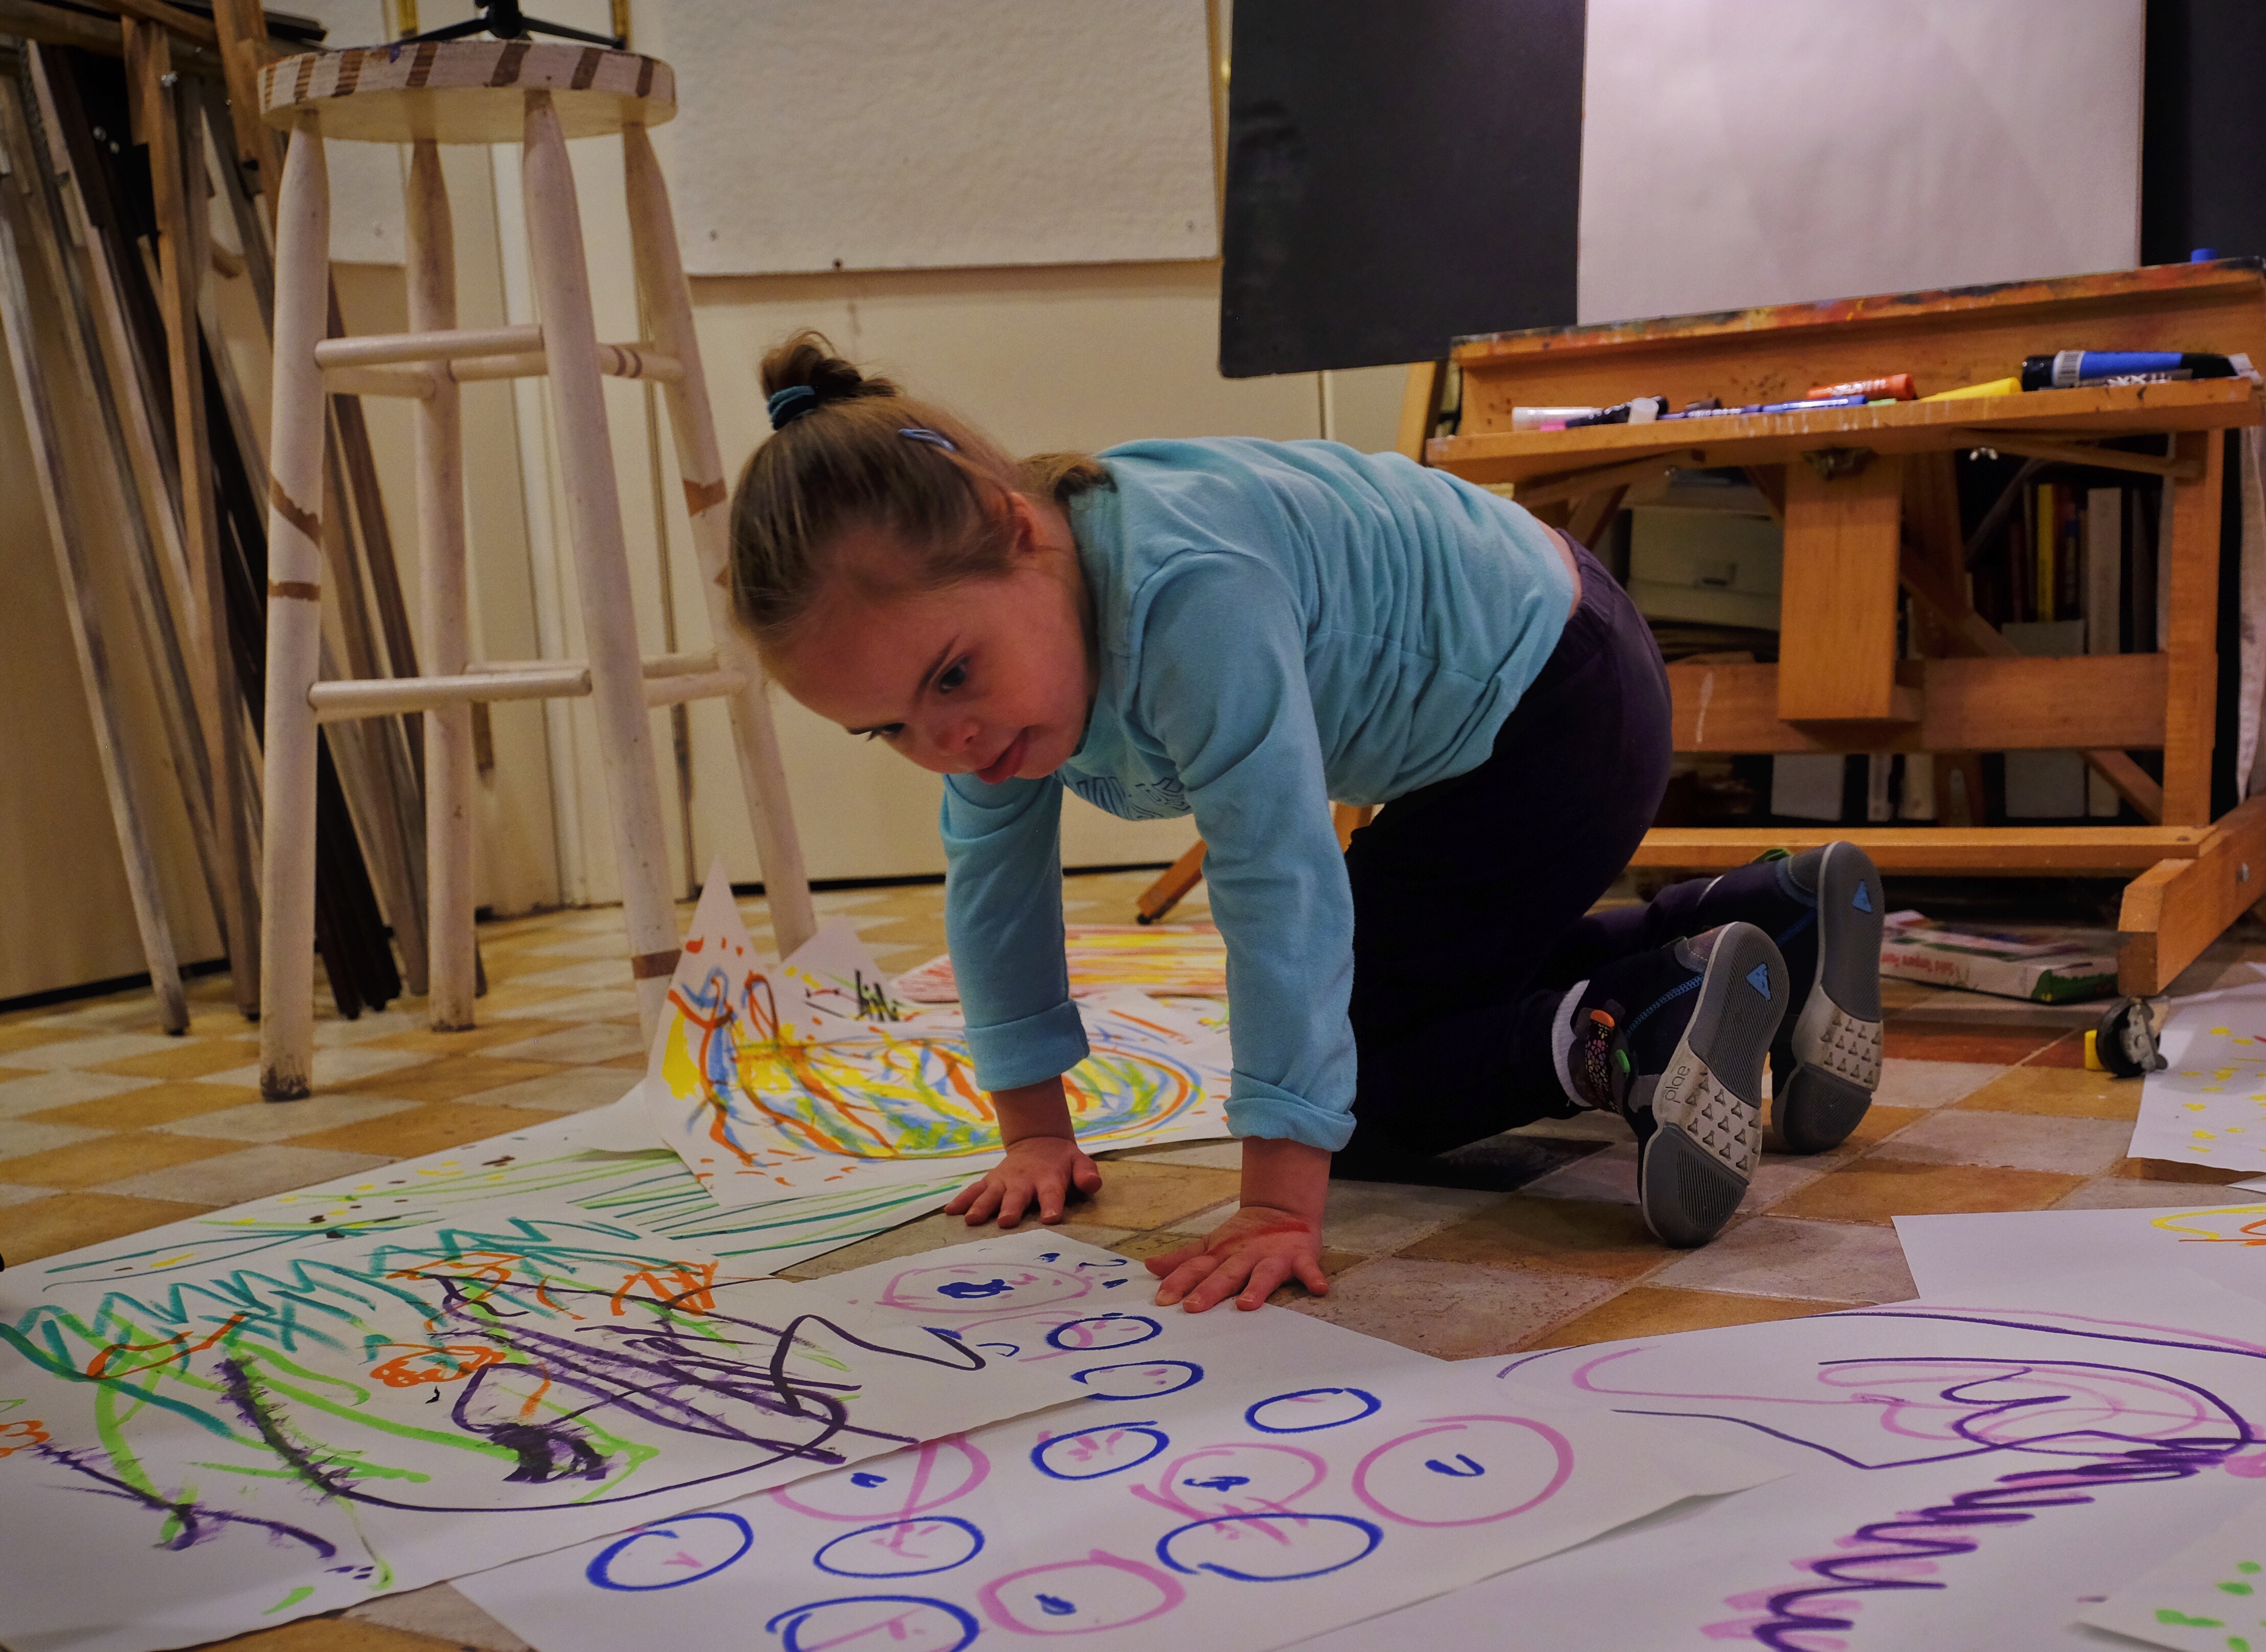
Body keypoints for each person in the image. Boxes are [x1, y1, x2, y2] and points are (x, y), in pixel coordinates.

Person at [725, 333, 1887, 1315]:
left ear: (1012, 526)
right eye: (887, 729)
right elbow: (995, 888)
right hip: (1523, 686)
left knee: (1353, 1088)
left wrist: (1278, 1201)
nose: (947, 741)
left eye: (951, 678)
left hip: (1558, 701)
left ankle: (1633, 1023)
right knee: (1416, 981)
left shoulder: (1185, 594)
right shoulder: (997, 642)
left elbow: (1279, 885)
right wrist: (1033, 1132)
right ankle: (1768, 923)